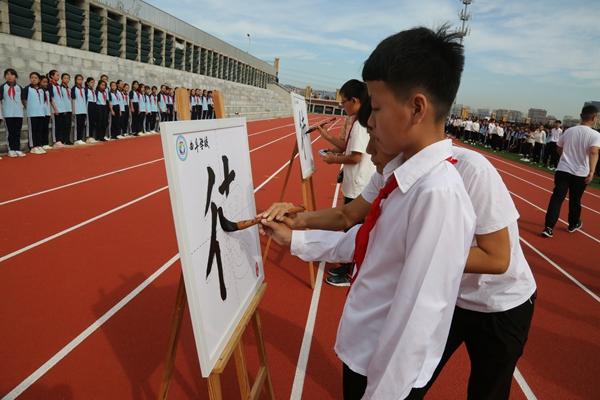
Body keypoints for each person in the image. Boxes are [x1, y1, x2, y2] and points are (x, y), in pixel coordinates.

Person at [261, 26, 476, 400]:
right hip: (363, 348)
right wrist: (294, 234)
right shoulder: (397, 173)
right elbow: (363, 237)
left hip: (384, 371)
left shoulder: (437, 195)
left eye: (375, 108)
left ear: (417, 108)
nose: (369, 122)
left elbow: (418, 321)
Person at [316, 79, 376, 286]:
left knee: (353, 228)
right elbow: (345, 147)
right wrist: (326, 136)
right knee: (352, 227)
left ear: (355, 100)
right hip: (355, 182)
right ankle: (347, 265)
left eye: (344, 102)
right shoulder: (357, 121)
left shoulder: (360, 124)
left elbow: (356, 157)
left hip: (359, 183)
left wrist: (334, 160)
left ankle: (349, 272)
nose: (342, 106)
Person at [542, 104, 600, 237]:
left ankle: (549, 227)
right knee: (575, 199)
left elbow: (558, 147)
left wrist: (565, 157)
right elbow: (593, 151)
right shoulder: (595, 135)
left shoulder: (569, 131)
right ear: (594, 118)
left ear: (581, 116)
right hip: (580, 173)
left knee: (557, 198)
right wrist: (592, 171)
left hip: (563, 170)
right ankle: (573, 223)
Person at [0, 68, 25, 157]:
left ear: (15, 76)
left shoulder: (19, 87)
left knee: (17, 132)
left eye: (12, 74)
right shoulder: (2, 87)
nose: (9, 76)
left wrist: (24, 108)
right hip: (8, 113)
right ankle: (11, 149)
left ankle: (17, 149)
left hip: (18, 113)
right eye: (7, 74)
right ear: (5, 77)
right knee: (10, 132)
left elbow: (22, 100)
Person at [23, 71, 47, 154]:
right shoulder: (27, 88)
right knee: (33, 130)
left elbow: (44, 100)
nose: (33, 79)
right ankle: (33, 146)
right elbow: (24, 100)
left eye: (35, 78)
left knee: (39, 130)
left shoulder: (42, 90)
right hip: (32, 113)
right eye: (32, 77)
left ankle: (38, 145)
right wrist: (28, 108)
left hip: (40, 113)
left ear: (39, 80)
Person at [71, 74, 88, 145]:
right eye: (78, 79)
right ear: (75, 80)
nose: (80, 81)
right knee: (77, 125)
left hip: (83, 110)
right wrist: (74, 110)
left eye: (81, 79)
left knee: (82, 125)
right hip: (77, 110)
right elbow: (73, 100)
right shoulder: (74, 89)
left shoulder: (84, 89)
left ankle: (80, 138)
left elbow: (85, 100)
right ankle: (76, 139)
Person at [39, 75, 53, 149]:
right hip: (40, 112)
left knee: (45, 128)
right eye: (43, 82)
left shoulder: (47, 91)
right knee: (40, 128)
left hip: (47, 112)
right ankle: (40, 143)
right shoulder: (38, 90)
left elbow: (49, 101)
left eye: (46, 82)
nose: (45, 84)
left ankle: (45, 143)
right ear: (40, 82)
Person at [85, 77, 98, 143]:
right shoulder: (86, 90)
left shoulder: (93, 90)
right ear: (87, 83)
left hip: (94, 104)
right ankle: (88, 137)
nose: (93, 84)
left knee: (93, 121)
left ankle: (91, 136)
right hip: (89, 105)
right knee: (89, 121)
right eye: (91, 82)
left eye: (93, 82)